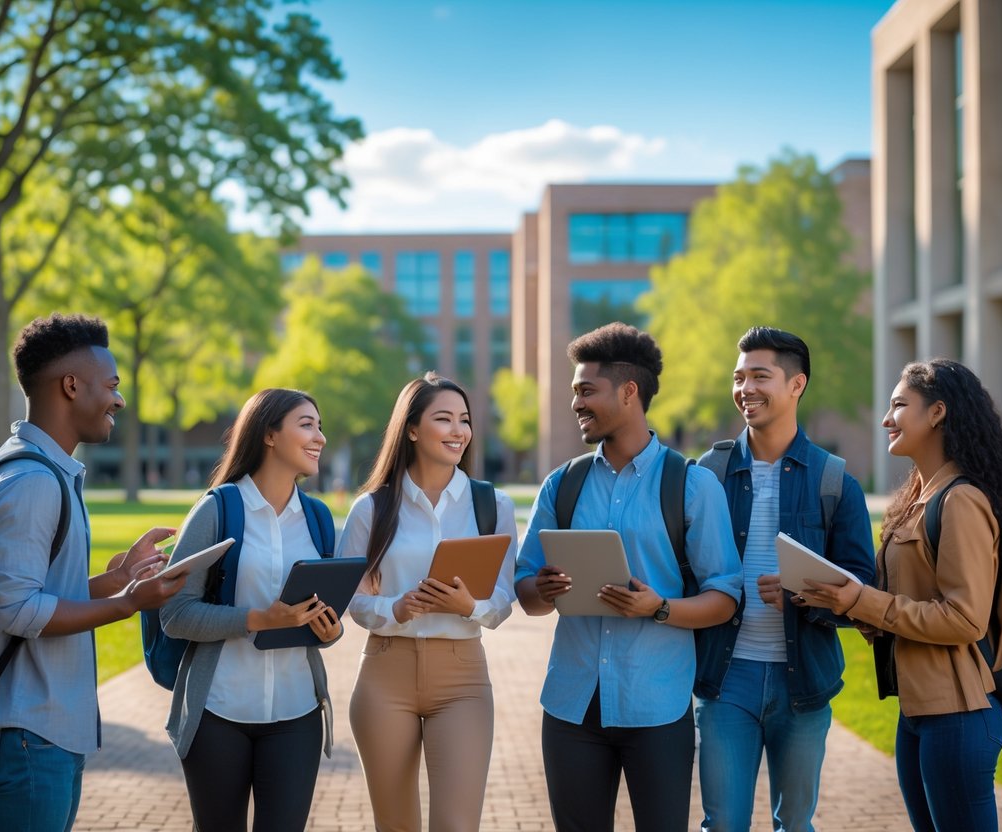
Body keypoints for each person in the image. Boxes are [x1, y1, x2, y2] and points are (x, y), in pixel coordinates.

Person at [799, 358, 1002, 832]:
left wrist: (864, 601)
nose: (885, 419)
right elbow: (909, 601)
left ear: (937, 412)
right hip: (917, 714)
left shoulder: (960, 500)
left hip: (958, 717)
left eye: (899, 405)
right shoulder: (918, 497)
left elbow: (964, 619)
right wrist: (852, 607)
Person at [515, 322, 743, 832]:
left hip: (657, 708)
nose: (576, 403)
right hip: (572, 708)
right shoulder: (563, 485)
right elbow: (526, 592)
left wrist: (658, 608)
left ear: (629, 392)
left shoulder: (692, 485)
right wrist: (544, 589)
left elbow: (725, 596)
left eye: (585, 391)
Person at [0, 313, 186, 832]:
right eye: (111, 386)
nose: (118, 400)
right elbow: (17, 610)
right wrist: (128, 603)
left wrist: (118, 580)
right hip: (26, 734)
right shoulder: (31, 481)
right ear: (70, 386)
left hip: (45, 732)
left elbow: (36, 594)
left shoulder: (45, 472)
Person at [692, 327, 876, 832]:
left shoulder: (835, 481)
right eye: (738, 377)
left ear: (797, 385)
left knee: (795, 825)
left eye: (759, 376)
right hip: (725, 679)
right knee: (722, 824)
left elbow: (862, 588)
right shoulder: (707, 474)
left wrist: (804, 598)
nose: (745, 388)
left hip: (805, 682)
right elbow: (684, 570)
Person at [337, 372, 518, 832]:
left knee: (456, 826)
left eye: (465, 419)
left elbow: (502, 598)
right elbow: (352, 599)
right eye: (444, 418)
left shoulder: (492, 505)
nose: (458, 430)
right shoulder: (372, 508)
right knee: (395, 825)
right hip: (384, 674)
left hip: (462, 679)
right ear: (412, 429)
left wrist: (468, 607)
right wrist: (395, 609)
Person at [160, 388, 343, 831]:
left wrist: (327, 628)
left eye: (320, 427)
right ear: (269, 435)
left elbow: (331, 627)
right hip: (219, 713)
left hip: (297, 713)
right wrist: (257, 620)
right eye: (306, 425)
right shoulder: (217, 510)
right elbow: (174, 614)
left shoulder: (318, 519)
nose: (319, 437)